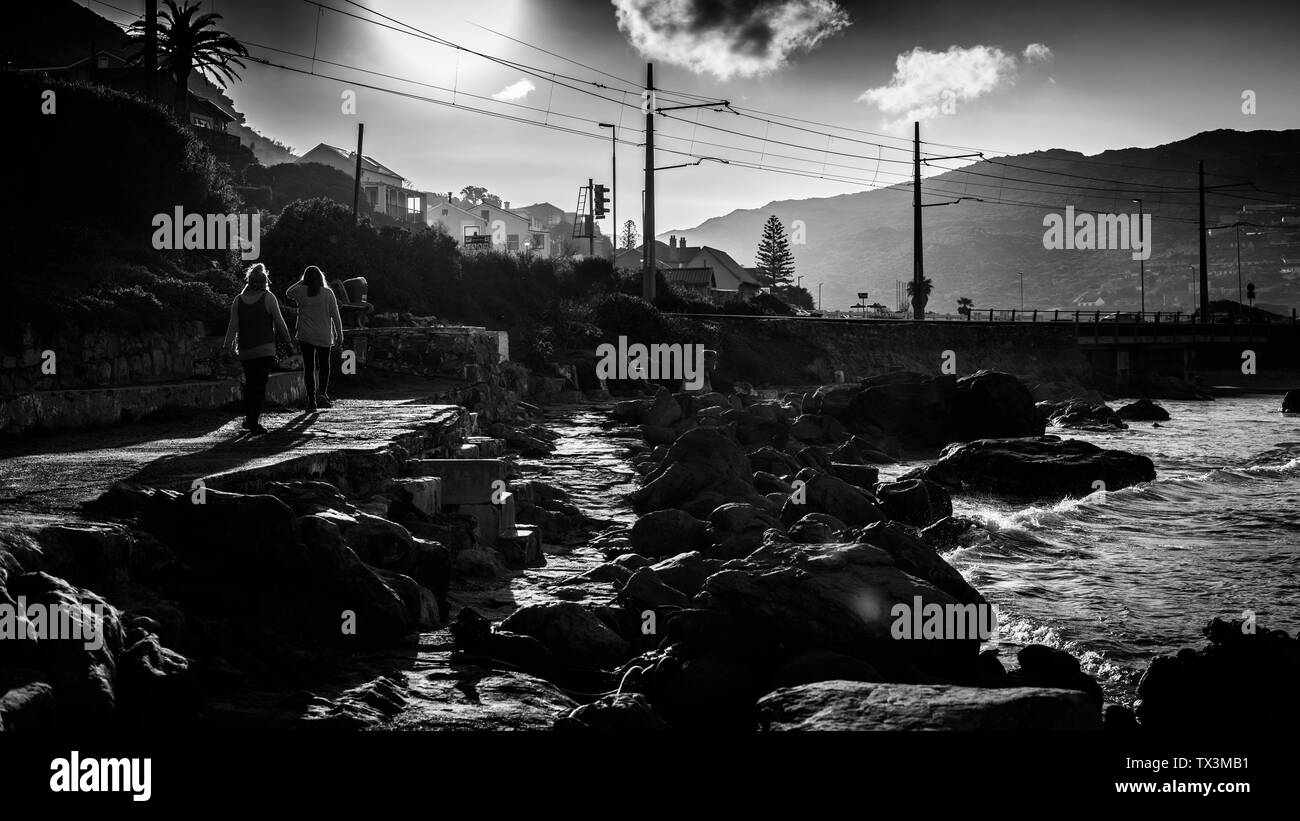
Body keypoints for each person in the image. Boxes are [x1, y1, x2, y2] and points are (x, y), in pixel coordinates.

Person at [222, 263, 292, 435]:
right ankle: (254, 423)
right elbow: (279, 322)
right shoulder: (268, 297)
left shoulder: (238, 300)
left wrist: (226, 347)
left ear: (249, 281)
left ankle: (249, 418)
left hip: (246, 350)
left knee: (250, 384)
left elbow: (232, 326)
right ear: (264, 282)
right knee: (259, 386)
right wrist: (288, 341)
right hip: (265, 349)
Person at [285, 265, 344, 411]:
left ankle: (312, 402)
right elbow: (335, 315)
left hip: (305, 335)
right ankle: (322, 394)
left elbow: (288, 293)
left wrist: (300, 282)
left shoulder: (300, 291)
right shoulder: (328, 293)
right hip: (324, 335)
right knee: (324, 365)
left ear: (305, 278)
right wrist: (339, 334)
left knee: (309, 368)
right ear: (320, 278)